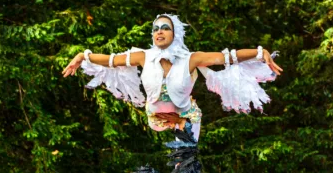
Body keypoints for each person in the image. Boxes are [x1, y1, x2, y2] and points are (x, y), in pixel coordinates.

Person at [62, 14, 282, 142]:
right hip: (156, 119)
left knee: (184, 172)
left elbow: (227, 57)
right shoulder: (143, 57)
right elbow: (110, 60)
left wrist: (258, 52)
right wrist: (83, 56)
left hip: (186, 118)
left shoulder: (191, 59)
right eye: (156, 29)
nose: (159, 31)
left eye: (165, 28)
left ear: (175, 33)